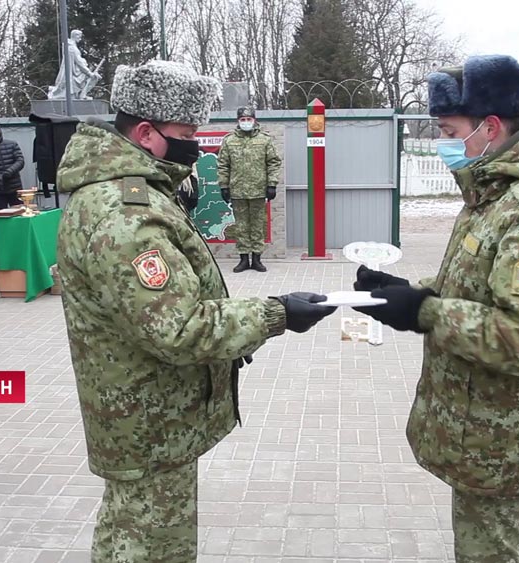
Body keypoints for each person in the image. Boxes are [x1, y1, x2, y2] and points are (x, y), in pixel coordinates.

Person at [54, 60, 336, 562]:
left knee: (141, 535)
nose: (193, 144)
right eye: (186, 134)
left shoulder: (136, 190)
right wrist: (277, 314)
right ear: (146, 132)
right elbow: (178, 328)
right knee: (145, 544)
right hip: (145, 421)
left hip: (149, 415)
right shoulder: (124, 212)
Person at [354, 55, 519, 563]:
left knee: (490, 551)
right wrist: (404, 293)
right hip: (477, 419)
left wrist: (426, 312)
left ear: (490, 126)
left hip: (503, 427)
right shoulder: (492, 196)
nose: (442, 143)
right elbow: (474, 284)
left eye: (448, 130)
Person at [217, 106, 281, 273]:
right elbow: (223, 165)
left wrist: (272, 184)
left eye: (249, 119)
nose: (246, 122)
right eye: (243, 120)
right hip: (237, 190)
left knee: (258, 225)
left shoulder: (264, 140)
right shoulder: (229, 140)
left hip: (258, 190)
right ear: (238, 121)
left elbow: (273, 162)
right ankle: (244, 259)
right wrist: (224, 186)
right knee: (241, 226)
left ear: (254, 120)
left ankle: (257, 259)